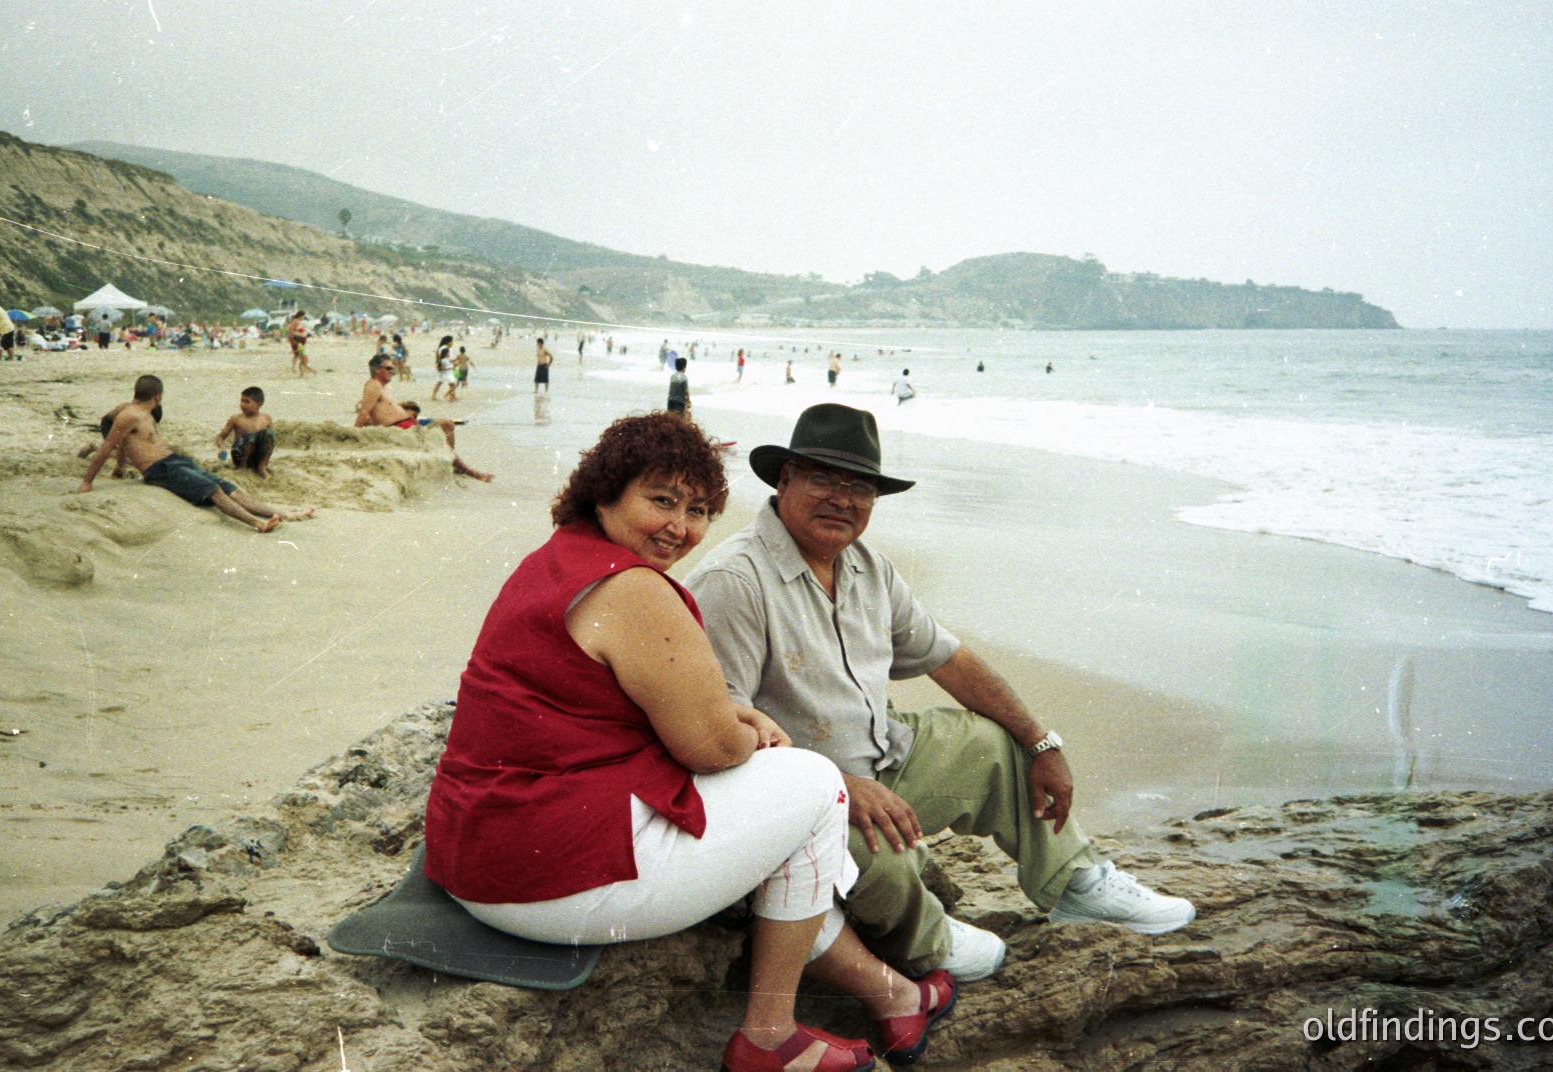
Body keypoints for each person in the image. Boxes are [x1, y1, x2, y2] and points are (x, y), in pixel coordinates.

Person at [423, 413, 955, 1070]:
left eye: (699, 509)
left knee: (781, 812)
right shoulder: (633, 589)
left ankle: (893, 995)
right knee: (816, 785)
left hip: (475, 852)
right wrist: (741, 729)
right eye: (661, 500)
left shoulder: (560, 557)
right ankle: (769, 1036)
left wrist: (728, 714)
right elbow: (712, 750)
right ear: (607, 491)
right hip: (543, 880)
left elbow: (648, 700)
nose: (680, 526)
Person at [686, 404, 1196, 985]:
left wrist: (1040, 741)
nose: (843, 499)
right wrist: (840, 787)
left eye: (860, 487)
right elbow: (717, 735)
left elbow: (950, 659)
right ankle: (926, 941)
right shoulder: (734, 581)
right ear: (785, 481)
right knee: (875, 855)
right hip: (793, 804)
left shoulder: (867, 568)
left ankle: (1074, 881)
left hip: (883, 760)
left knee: (992, 743)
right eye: (824, 478)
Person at [77, 375, 314, 532]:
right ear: (158, 396)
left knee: (230, 487)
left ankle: (284, 514)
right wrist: (87, 482)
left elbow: (115, 431)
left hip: (174, 461)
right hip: (160, 470)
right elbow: (108, 443)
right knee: (215, 491)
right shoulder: (129, 415)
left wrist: (120, 465)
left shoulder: (135, 411)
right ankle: (258, 524)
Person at [358, 355, 493, 482]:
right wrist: (354, 436)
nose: (392, 371)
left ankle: (452, 461)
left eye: (393, 367)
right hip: (401, 427)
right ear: (377, 370)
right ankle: (468, 471)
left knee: (447, 424)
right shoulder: (373, 385)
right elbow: (364, 413)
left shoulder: (383, 387)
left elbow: (382, 409)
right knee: (446, 423)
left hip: (406, 423)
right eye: (389, 368)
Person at [77, 401, 165, 479]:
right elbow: (122, 442)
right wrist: (121, 466)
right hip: (109, 423)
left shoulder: (141, 410)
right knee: (120, 452)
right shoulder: (129, 414)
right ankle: (94, 447)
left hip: (118, 419)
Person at [215, 386, 276, 478]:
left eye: (247, 402)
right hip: (240, 455)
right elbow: (220, 437)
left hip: (257, 456)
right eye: (241, 401)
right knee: (250, 436)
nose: (243, 404)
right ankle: (242, 467)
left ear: (259, 404)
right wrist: (222, 448)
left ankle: (262, 466)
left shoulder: (266, 418)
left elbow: (270, 440)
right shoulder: (236, 418)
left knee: (268, 434)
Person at [433, 336, 455, 401]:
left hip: (448, 367)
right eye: (451, 341)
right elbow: (441, 358)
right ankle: (447, 396)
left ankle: (452, 396)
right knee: (441, 382)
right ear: (448, 342)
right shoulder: (443, 348)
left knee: (448, 382)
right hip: (445, 368)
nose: (452, 343)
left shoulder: (448, 348)